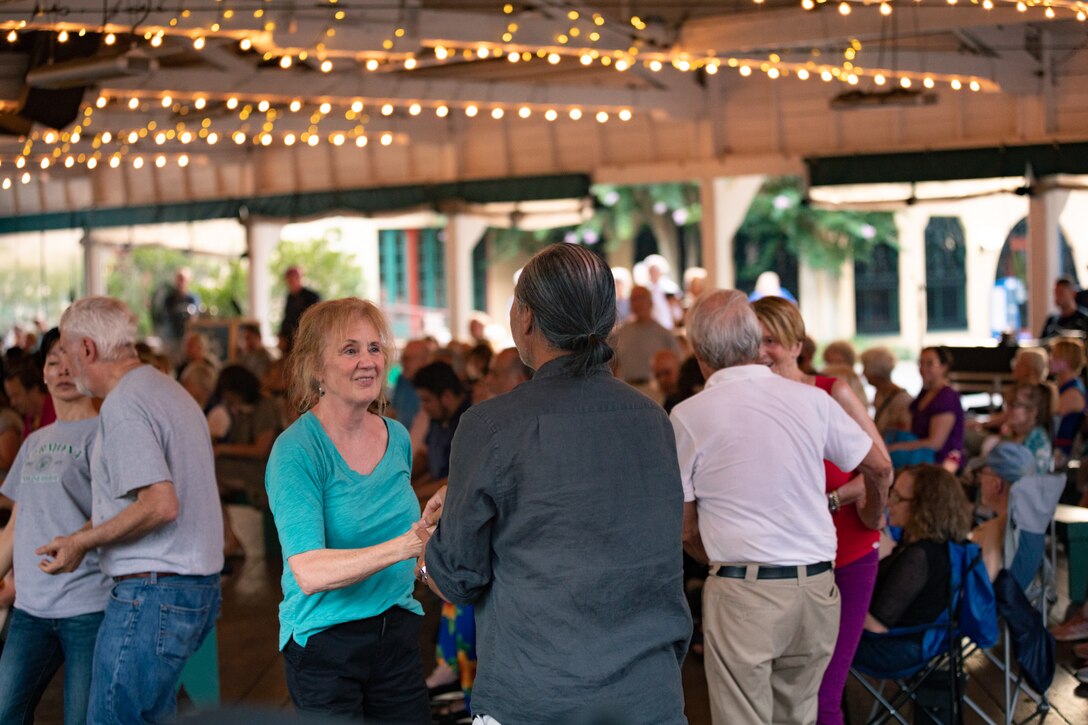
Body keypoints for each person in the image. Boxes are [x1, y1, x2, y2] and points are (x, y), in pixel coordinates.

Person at [420, 244, 691, 725]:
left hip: (539, 697)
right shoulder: (652, 420)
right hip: (649, 694)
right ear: (607, 321)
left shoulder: (491, 426)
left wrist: (426, 553)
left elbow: (459, 577)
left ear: (525, 319)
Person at [673, 289, 891, 725]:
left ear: (699, 355)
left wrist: (713, 559)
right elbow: (880, 467)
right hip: (815, 586)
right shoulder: (812, 400)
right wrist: (872, 517)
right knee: (800, 716)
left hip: (744, 588)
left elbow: (684, 526)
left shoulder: (688, 415)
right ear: (754, 345)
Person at [39, 296, 223, 725]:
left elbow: (159, 504)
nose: (66, 366)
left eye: (66, 353)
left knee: (111, 719)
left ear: (87, 349)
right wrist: (79, 538)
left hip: (154, 593)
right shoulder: (166, 389)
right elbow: (129, 503)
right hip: (190, 587)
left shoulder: (125, 404)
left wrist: (82, 541)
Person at [265, 298, 430, 721]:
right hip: (326, 649)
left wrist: (432, 532)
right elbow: (309, 571)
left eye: (375, 348)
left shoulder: (397, 438)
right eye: (350, 349)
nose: (368, 362)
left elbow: (402, 539)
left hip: (396, 635)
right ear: (316, 369)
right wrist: (406, 546)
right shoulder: (297, 451)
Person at [751, 296, 890, 725]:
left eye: (771, 341)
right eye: (754, 341)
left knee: (822, 694)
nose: (760, 352)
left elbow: (879, 466)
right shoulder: (753, 401)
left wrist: (833, 500)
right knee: (784, 693)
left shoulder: (832, 391)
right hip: (785, 561)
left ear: (797, 345)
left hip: (846, 554)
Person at [0, 329, 111, 724]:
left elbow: (113, 513)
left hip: (87, 605)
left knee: (82, 718)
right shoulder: (33, 442)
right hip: (30, 609)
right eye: (52, 362)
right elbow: (16, 525)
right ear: (42, 376)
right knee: (5, 710)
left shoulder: (105, 433)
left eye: (70, 361)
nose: (62, 370)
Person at [854, 465, 972, 673]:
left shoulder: (920, 555)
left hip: (895, 648)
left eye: (898, 498)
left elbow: (877, 626)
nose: (889, 502)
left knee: (814, 635)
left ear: (923, 507)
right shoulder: (939, 545)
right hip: (915, 641)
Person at [888, 347, 966, 470]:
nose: (923, 368)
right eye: (921, 363)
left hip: (939, 463)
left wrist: (898, 446)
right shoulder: (925, 393)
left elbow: (935, 443)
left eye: (929, 363)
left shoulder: (946, 397)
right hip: (920, 457)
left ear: (944, 367)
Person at [970, 442, 1038, 582]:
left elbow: (983, 592)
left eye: (982, 473)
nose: (979, 481)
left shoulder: (991, 532)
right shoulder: (1033, 529)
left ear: (997, 484)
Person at [610, 285, 681, 390]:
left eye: (641, 298)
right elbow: (612, 364)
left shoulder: (664, 333)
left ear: (651, 302)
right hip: (628, 389)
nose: (637, 303)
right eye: (634, 299)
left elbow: (676, 363)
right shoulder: (621, 333)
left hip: (655, 390)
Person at [1049, 338, 1087, 468]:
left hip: (1061, 453)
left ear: (1065, 361)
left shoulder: (1072, 392)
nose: (1049, 359)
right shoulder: (1062, 387)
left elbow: (1046, 417)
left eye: (1054, 356)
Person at [860, 347, 913, 436]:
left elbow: (904, 429)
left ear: (874, 371)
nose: (863, 373)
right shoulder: (880, 393)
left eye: (865, 367)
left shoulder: (901, 399)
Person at [152, 268, 200, 361]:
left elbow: (195, 317)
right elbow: (163, 317)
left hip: (186, 338)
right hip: (170, 338)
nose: (181, 282)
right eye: (179, 279)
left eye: (183, 279)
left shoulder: (193, 299)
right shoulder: (169, 299)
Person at [3, 361, 56, 439]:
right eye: (10, 397)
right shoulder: (29, 420)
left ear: (33, 390)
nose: (12, 403)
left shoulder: (58, 410)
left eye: (16, 396)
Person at [280, 266, 321, 351]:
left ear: (299, 278)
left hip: (308, 340)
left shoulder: (311, 296)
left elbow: (317, 319)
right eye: (289, 280)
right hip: (291, 341)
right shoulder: (290, 298)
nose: (291, 282)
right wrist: (281, 335)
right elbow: (287, 319)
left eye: (294, 279)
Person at [390, 339, 429, 426]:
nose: (403, 363)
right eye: (403, 358)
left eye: (408, 359)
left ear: (424, 361)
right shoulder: (402, 380)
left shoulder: (431, 387)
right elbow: (393, 412)